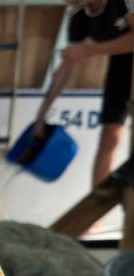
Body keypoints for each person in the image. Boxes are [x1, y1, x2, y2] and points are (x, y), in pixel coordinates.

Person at [34, 0, 134, 188]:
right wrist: (41, 116)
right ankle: (98, 200)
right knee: (110, 135)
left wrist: (89, 50)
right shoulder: (79, 17)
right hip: (120, 67)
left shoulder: (122, 4)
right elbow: (68, 65)